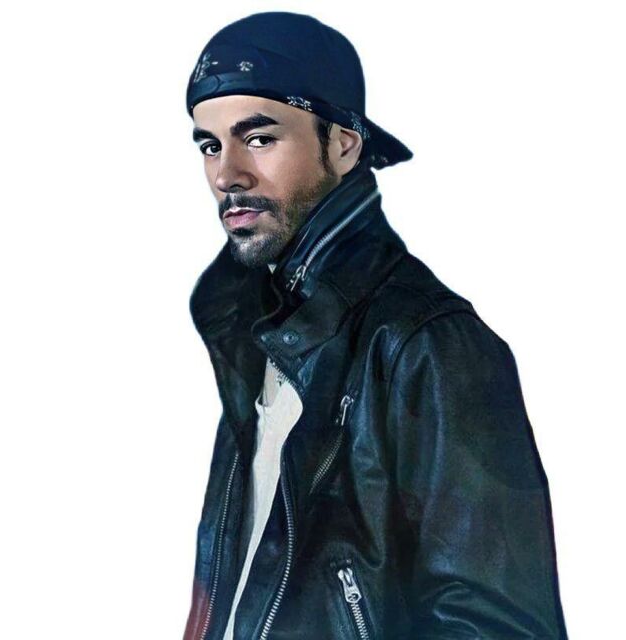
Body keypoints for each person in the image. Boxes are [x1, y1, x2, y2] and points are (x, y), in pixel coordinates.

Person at [181, 11, 568, 640]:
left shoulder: (428, 343)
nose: (227, 174)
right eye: (210, 145)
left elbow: (499, 626)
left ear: (343, 145)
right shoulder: (254, 330)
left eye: (259, 138)